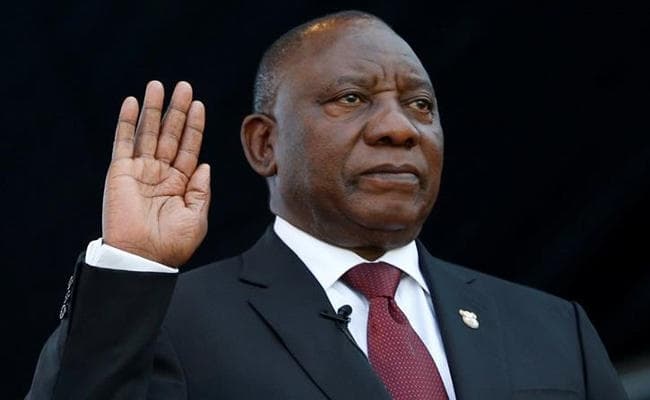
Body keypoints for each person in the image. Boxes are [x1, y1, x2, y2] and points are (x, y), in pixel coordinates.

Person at [27, 10, 628, 400]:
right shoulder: (168, 324)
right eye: (351, 98)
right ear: (265, 145)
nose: (399, 129)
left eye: (420, 105)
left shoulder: (556, 329)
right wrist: (132, 264)